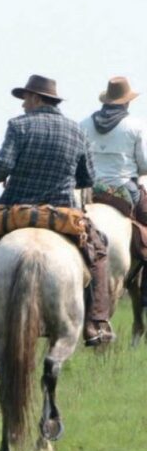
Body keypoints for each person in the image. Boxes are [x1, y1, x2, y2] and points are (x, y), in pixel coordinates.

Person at [0, 74, 113, 347]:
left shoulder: (18, 125)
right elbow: (88, 178)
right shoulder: (76, 131)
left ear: (35, 98)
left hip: (15, 211)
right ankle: (95, 322)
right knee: (99, 249)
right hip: (62, 213)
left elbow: (3, 166)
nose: (23, 106)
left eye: (25, 99)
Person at [80, 76, 147, 307]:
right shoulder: (136, 126)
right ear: (127, 102)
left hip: (89, 190)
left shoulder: (84, 124)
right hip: (123, 189)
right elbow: (145, 163)